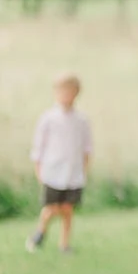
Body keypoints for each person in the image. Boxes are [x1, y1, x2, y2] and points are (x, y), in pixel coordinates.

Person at [26, 73, 93, 254]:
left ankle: (64, 244)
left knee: (67, 209)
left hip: (73, 173)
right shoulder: (48, 118)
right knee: (52, 208)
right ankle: (40, 231)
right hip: (53, 171)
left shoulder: (81, 120)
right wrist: (38, 169)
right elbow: (38, 147)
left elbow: (87, 148)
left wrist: (84, 170)